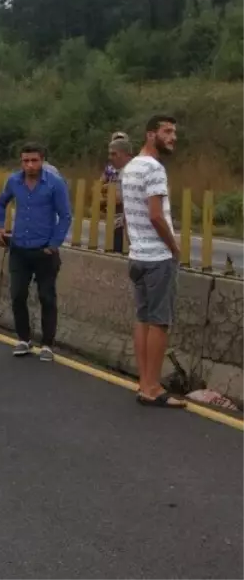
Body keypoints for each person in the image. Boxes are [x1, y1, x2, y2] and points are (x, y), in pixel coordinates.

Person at [121, 115, 185, 409]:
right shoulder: (155, 169)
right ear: (151, 135)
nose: (173, 137)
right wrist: (174, 247)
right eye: (167, 131)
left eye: (174, 132)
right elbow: (156, 215)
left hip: (137, 256)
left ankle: (144, 382)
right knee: (159, 322)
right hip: (158, 257)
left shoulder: (130, 166)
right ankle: (153, 387)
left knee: (143, 319)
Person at [0, 142, 73, 361]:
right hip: (19, 248)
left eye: (34, 160)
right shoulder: (14, 181)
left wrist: (54, 244)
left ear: (42, 160)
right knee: (18, 294)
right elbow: (1, 203)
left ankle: (47, 343)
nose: (30, 165)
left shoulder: (54, 184)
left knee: (46, 296)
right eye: (26, 161)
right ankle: (23, 338)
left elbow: (65, 215)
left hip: (44, 250)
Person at [102, 134, 132, 253]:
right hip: (119, 222)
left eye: (114, 154)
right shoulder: (118, 170)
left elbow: (119, 199)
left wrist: (106, 198)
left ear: (125, 153)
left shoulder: (129, 171)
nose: (110, 157)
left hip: (127, 225)